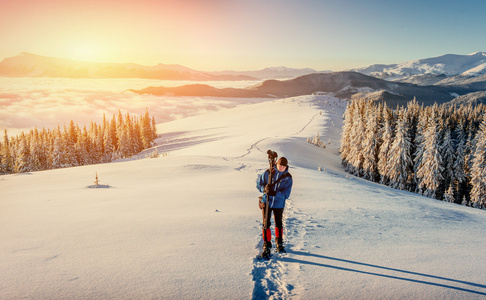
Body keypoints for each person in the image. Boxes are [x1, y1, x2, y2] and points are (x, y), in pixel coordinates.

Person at [256, 156, 293, 256]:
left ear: (286, 167)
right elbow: (258, 184)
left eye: (283, 167)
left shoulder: (288, 177)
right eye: (279, 166)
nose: (281, 168)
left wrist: (274, 193)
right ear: (276, 164)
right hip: (266, 202)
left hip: (278, 204)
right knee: (266, 224)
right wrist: (265, 189)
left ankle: (279, 242)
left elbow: (286, 194)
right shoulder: (268, 173)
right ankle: (266, 245)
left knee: (279, 223)